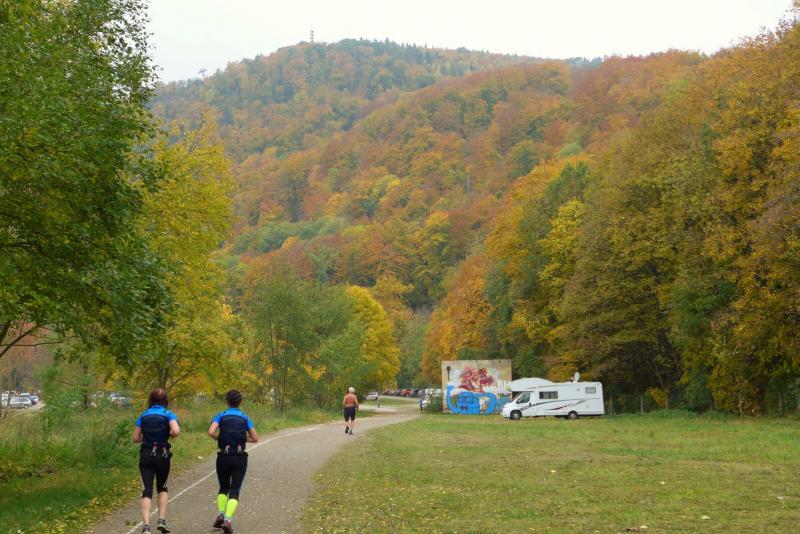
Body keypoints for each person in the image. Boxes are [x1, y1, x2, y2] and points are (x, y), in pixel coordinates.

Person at [208, 390, 258, 533]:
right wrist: (242, 438)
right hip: (239, 457)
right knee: (235, 490)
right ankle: (228, 520)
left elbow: (211, 432)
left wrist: (220, 437)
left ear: (227, 401)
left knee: (223, 487)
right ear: (240, 402)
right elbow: (255, 438)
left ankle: (221, 513)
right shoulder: (245, 417)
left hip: (223, 456)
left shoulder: (220, 415)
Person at [132, 388, 180, 534]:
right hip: (163, 455)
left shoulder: (143, 415)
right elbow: (176, 431)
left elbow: (135, 438)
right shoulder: (168, 414)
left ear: (151, 400)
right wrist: (169, 434)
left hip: (146, 454)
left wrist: (146, 437)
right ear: (165, 400)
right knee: (162, 488)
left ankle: (146, 526)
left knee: (146, 490)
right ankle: (161, 520)